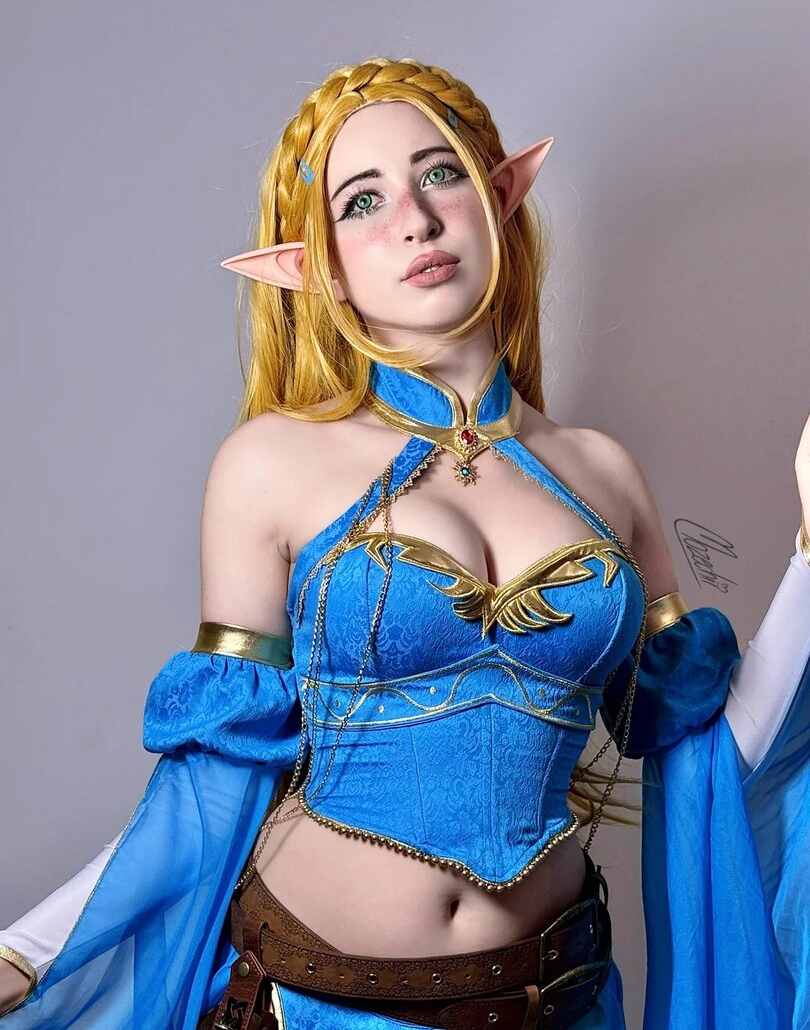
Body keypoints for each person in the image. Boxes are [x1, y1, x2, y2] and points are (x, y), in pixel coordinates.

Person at [2, 57, 809, 1030]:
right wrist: (24, 954)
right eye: (362, 202)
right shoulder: (270, 463)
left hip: (562, 997)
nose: (416, 221)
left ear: (500, 196)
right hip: (324, 1004)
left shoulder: (604, 472)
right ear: (313, 266)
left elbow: (710, 752)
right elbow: (213, 781)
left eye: (441, 174)